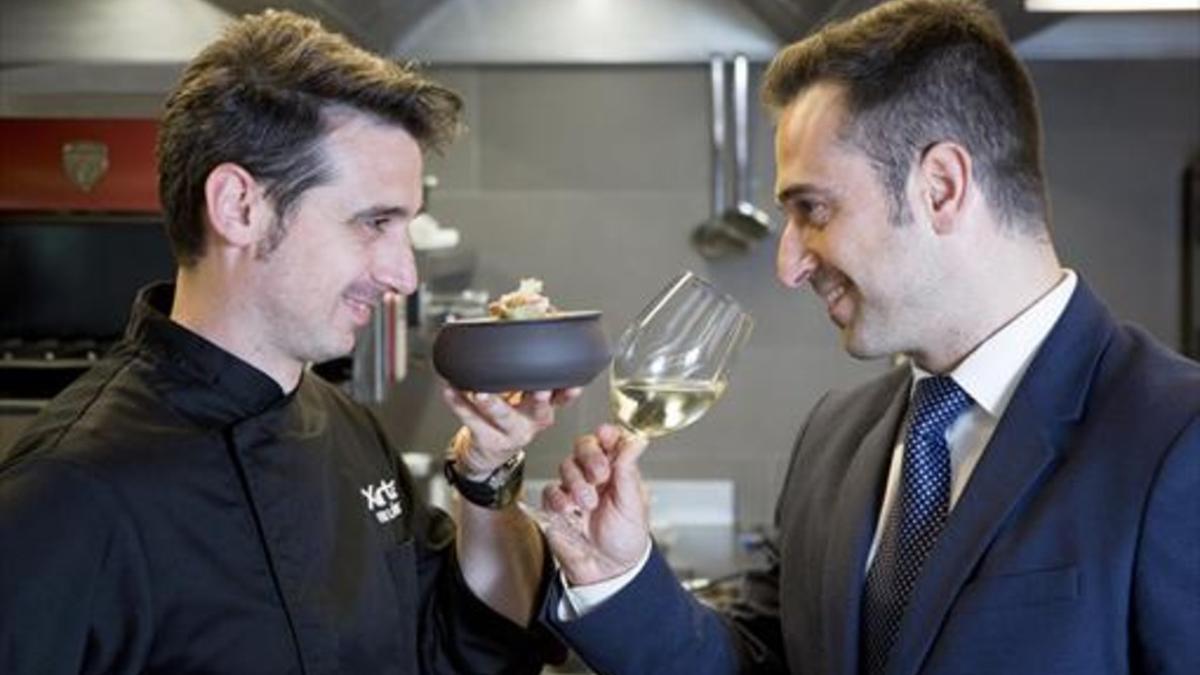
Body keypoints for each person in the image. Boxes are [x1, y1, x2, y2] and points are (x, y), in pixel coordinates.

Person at [536, 1, 1200, 673]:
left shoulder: (1177, 438)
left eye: (813, 210)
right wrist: (617, 573)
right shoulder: (834, 436)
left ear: (940, 186)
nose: (789, 264)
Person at [0, 10, 575, 674]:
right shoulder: (69, 494)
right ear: (239, 207)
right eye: (374, 222)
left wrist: (487, 476)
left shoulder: (351, 429)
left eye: (405, 226)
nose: (404, 272)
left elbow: (458, 648)